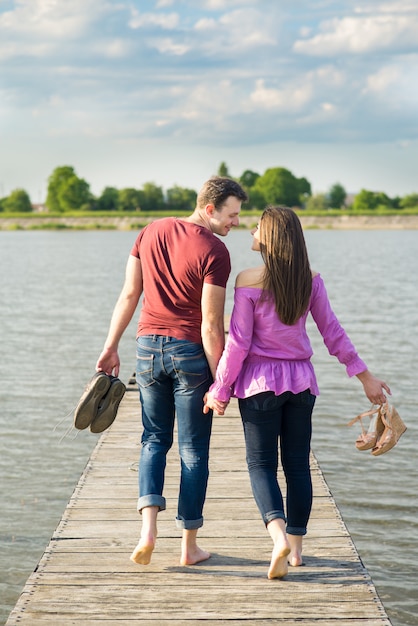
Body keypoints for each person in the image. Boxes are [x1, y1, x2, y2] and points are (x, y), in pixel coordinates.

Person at [204, 205, 390, 580]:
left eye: (257, 226)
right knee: (298, 465)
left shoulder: (248, 280)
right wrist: (365, 377)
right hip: (302, 384)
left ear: (269, 237)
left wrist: (219, 389)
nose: (251, 230)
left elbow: (238, 344)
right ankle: (297, 550)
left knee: (261, 465)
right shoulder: (310, 279)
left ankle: (277, 539)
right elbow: (332, 333)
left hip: (258, 387)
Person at [96, 176, 248, 567]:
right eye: (231, 215)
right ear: (210, 208)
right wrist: (222, 381)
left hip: (146, 349)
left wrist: (111, 345)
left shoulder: (150, 231)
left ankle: (148, 530)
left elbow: (130, 294)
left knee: (152, 440)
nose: (235, 223)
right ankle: (189, 546)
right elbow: (212, 325)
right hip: (189, 354)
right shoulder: (215, 250)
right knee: (193, 450)